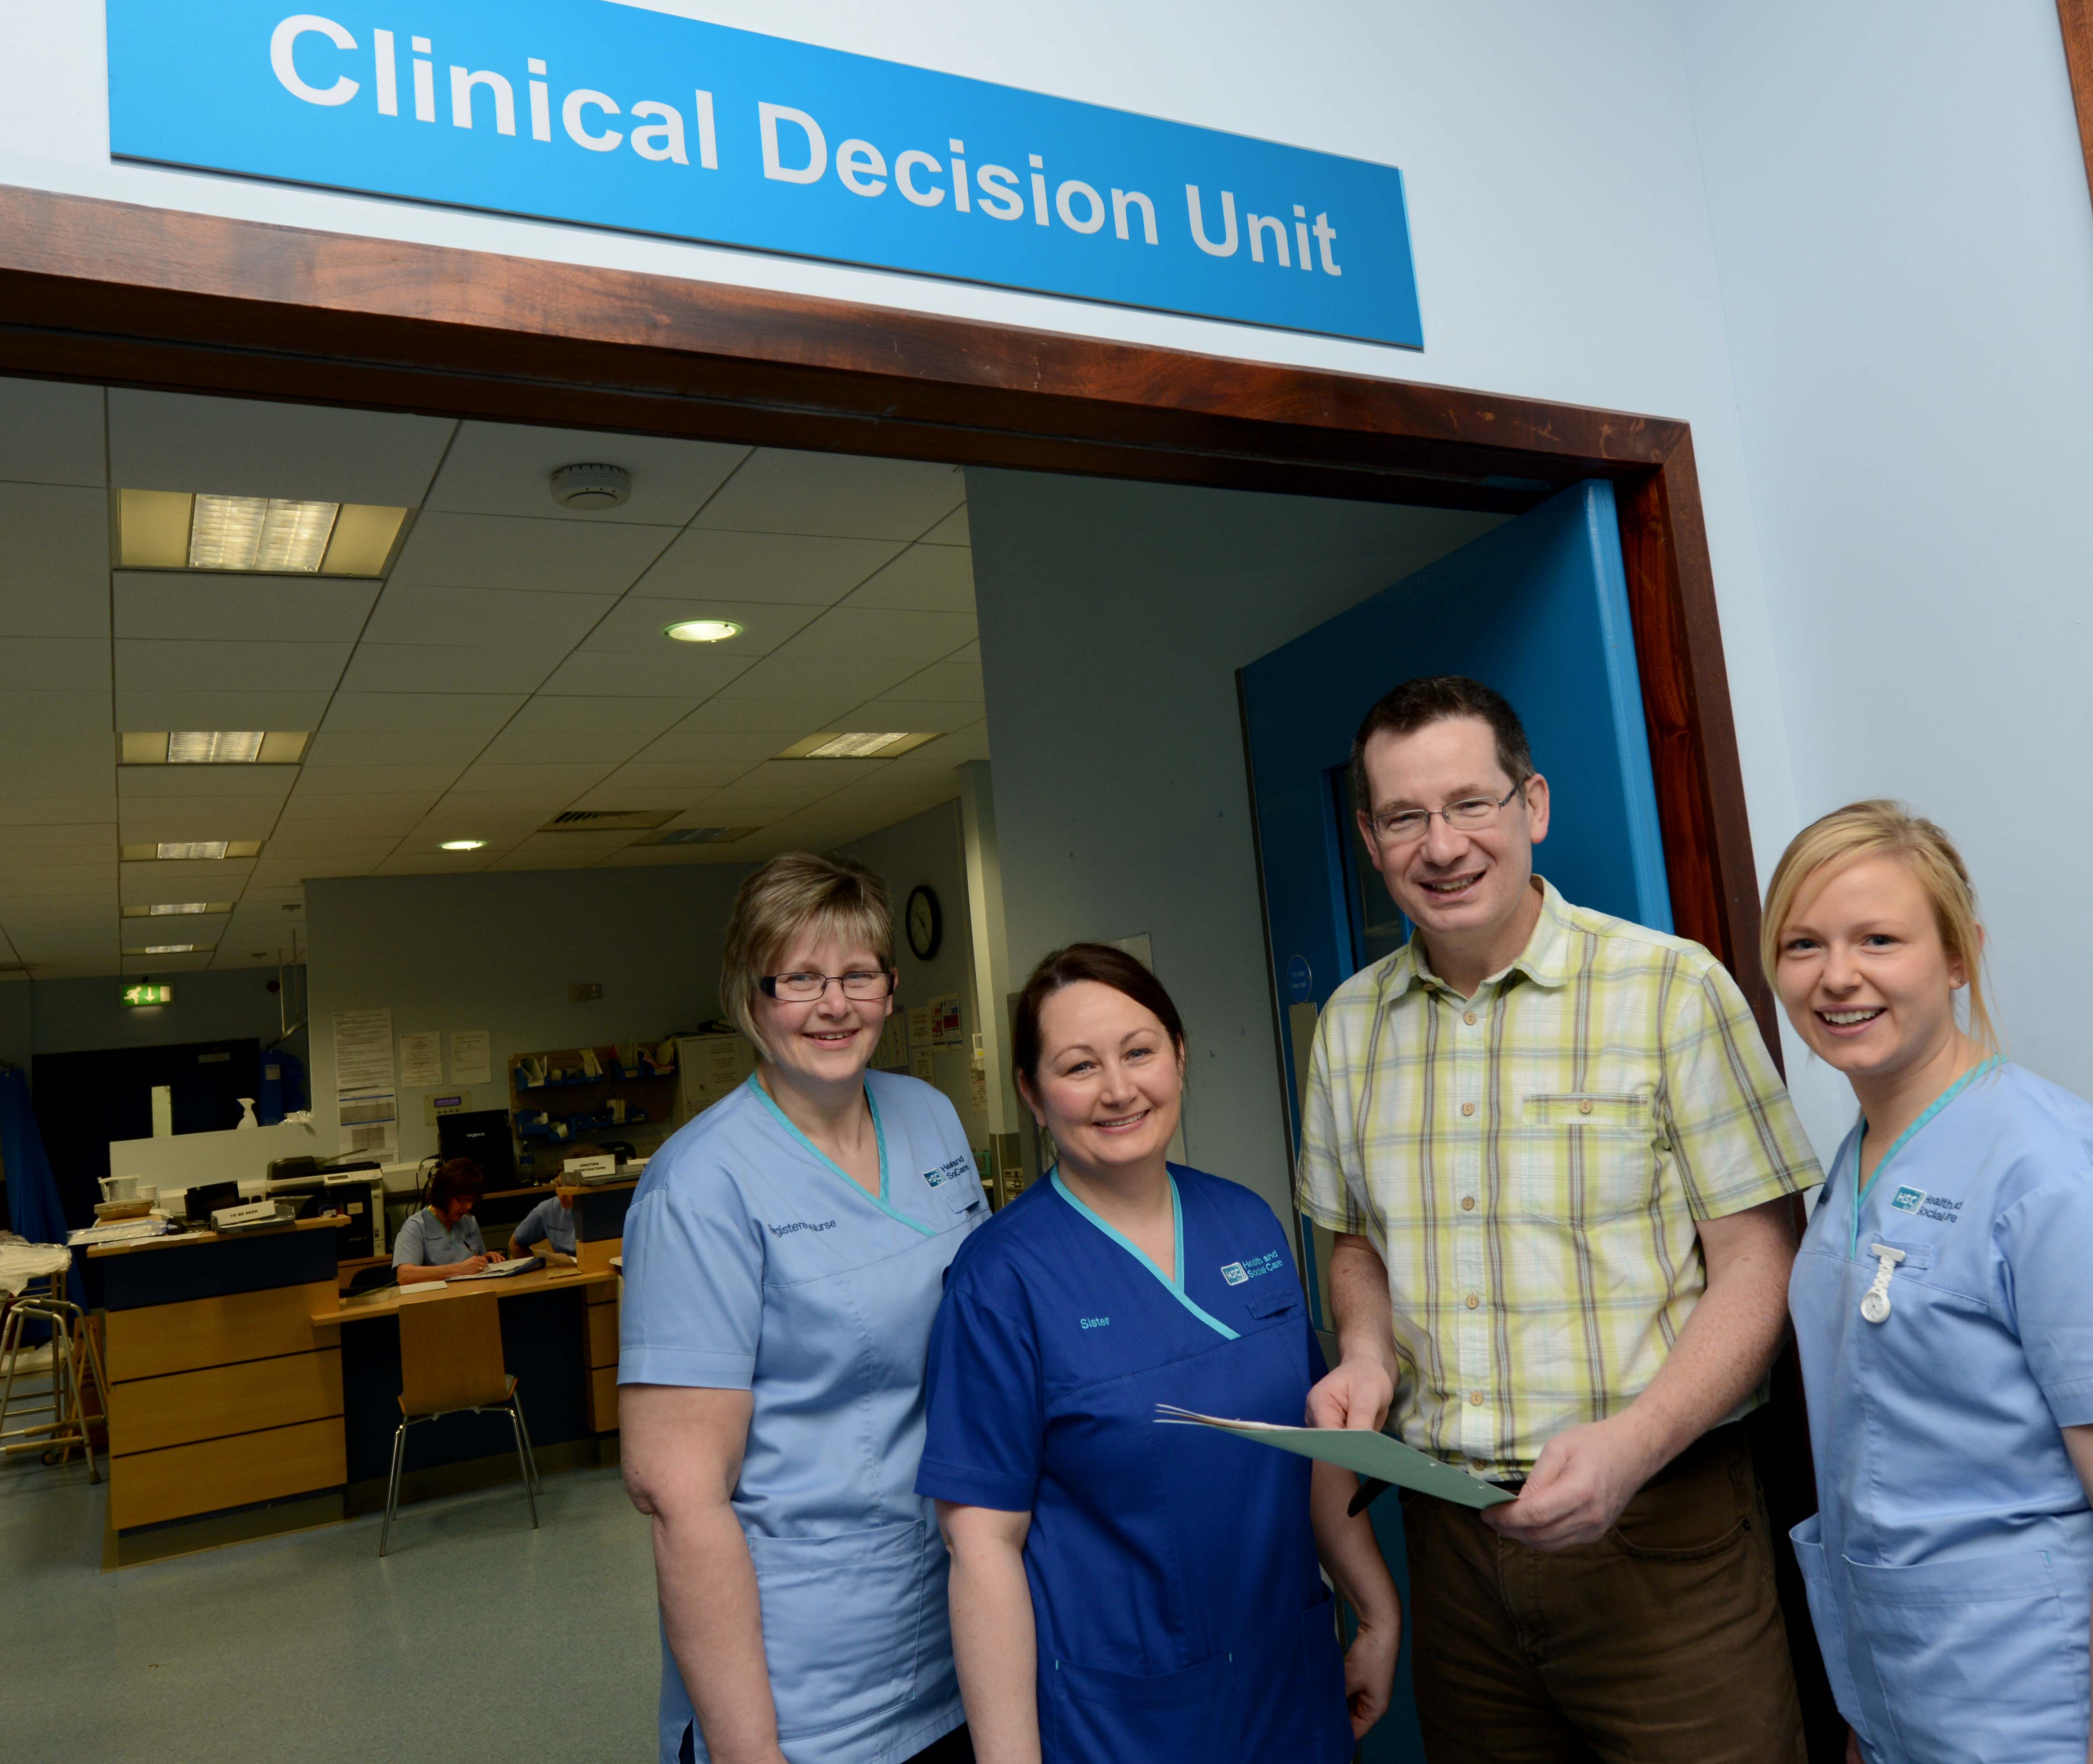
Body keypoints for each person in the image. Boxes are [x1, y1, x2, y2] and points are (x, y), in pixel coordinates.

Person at [1299, 674, 1823, 1764]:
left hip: (1662, 1534)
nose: (1440, 846)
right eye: (1404, 817)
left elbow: (1760, 1260)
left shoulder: (1671, 990)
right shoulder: (1350, 1027)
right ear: (1369, 836)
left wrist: (1635, 1444)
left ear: (1531, 806)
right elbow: (1354, 1237)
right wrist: (1364, 1353)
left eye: (1470, 805)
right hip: (1454, 1545)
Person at [1764, 800, 2093, 1764]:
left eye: (1879, 938)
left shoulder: (2057, 1175)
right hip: (1925, 1715)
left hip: (2068, 1724)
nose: (1837, 976)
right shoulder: (1860, 1168)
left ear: (1958, 955)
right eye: (1803, 944)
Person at [918, 943, 1398, 1764]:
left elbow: (1310, 1446)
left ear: (1178, 1054)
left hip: (1291, 1681)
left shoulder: (1247, 1222)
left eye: (1140, 1051)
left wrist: (1377, 1605)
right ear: (1033, 1094)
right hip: (1124, 1712)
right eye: (1078, 1066)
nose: (1118, 1089)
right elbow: (982, 1545)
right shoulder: (1000, 1278)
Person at [619, 852, 988, 1764]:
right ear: (749, 997)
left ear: (892, 988)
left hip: (961, 1619)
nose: (835, 1005)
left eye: (858, 974)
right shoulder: (701, 1185)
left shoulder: (931, 1117)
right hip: (805, 1677)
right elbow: (680, 1497)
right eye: (801, 979)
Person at [391, 1157, 494, 1283]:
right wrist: (460, 1269)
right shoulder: (417, 1226)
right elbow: (405, 1276)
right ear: (443, 1195)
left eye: (472, 1201)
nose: (469, 1207)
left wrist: (486, 1259)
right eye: (462, 1200)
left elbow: (477, 1262)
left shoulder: (469, 1222)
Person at [511, 1171, 579, 1260]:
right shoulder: (549, 1209)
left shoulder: (601, 1206)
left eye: (570, 1188)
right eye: (559, 1186)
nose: (561, 1196)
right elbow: (515, 1244)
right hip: (569, 1270)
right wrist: (538, 1268)